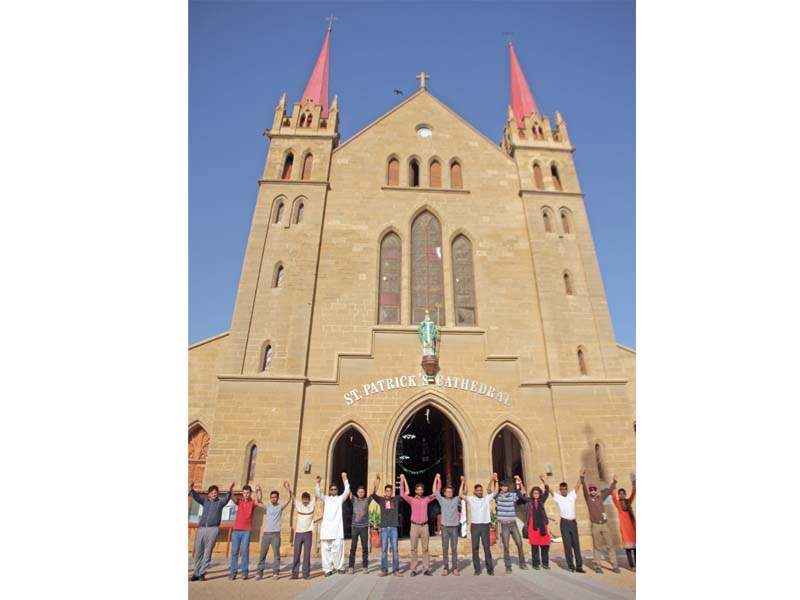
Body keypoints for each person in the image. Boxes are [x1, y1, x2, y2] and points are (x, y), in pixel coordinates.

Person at [189, 481, 234, 581]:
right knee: (198, 551)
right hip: (202, 528)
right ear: (209, 494)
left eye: (216, 492)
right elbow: (196, 497)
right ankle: (196, 572)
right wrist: (191, 488)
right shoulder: (205, 501)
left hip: (213, 529)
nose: (214, 494)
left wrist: (230, 489)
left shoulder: (219, 503)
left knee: (207, 552)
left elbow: (226, 499)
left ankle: (202, 573)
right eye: (212, 492)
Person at [580, 469, 620, 573]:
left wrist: (614, 481)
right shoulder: (588, 499)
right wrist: (582, 478)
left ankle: (614, 565)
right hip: (595, 525)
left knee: (610, 545)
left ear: (596, 490)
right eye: (591, 490)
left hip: (604, 524)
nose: (593, 491)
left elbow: (609, 491)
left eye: (594, 490)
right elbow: (584, 490)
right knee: (597, 546)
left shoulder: (600, 498)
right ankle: (598, 565)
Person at [398, 473, 435, 576]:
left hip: (424, 526)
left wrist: (437, 479)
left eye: (421, 489)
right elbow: (402, 494)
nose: (420, 491)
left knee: (425, 548)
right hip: (414, 526)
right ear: (415, 491)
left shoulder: (426, 499)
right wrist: (402, 480)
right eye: (418, 489)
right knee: (413, 548)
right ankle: (413, 569)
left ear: (423, 491)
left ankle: (426, 569)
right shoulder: (412, 500)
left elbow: (436, 493)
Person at [459, 473, 496, 576]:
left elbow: (496, 491)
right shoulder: (471, 499)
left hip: (484, 525)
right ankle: (477, 569)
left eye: (481, 490)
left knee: (486, 547)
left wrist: (494, 480)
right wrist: (463, 482)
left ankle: (490, 569)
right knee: (475, 547)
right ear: (474, 491)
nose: (479, 492)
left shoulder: (486, 498)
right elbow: (461, 494)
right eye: (478, 490)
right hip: (475, 525)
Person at [316, 472, 351, 576]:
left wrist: (345, 479)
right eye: (332, 489)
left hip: (337, 529)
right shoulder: (326, 499)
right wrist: (318, 483)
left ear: (337, 490)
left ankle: (339, 567)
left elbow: (347, 491)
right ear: (329, 490)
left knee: (338, 550)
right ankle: (327, 569)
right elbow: (318, 494)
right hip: (326, 529)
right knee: (326, 551)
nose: (333, 491)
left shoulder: (339, 499)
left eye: (335, 489)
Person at [549, 474, 585, 573]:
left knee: (576, 545)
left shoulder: (571, 496)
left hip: (573, 522)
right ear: (560, 490)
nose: (563, 490)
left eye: (565, 489)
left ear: (567, 489)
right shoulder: (559, 498)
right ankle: (571, 566)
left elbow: (578, 485)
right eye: (562, 489)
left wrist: (581, 476)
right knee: (567, 545)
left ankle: (579, 566)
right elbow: (551, 491)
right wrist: (544, 481)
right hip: (564, 523)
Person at [256, 481, 293, 579]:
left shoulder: (280, 507)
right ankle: (259, 573)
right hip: (266, 534)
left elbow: (289, 499)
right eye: (272, 497)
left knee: (276, 554)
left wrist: (288, 488)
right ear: (270, 498)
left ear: (277, 498)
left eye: (275, 497)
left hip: (275, 534)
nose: (273, 498)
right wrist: (258, 491)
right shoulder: (267, 507)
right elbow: (258, 502)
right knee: (262, 554)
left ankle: (275, 572)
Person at [370, 473, 403, 577]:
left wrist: (402, 479)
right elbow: (372, 493)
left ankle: (396, 570)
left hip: (393, 527)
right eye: (387, 490)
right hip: (384, 527)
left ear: (392, 491)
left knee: (395, 550)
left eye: (390, 490)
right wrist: (377, 481)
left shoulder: (396, 499)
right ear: (385, 491)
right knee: (384, 550)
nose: (389, 492)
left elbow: (406, 493)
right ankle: (384, 570)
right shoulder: (381, 500)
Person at [495, 475, 527, 573]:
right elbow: (489, 491)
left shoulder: (512, 495)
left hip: (513, 523)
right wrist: (495, 481)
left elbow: (523, 493)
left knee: (519, 543)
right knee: (506, 546)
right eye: (503, 486)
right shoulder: (498, 497)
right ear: (501, 487)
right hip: (504, 525)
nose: (505, 488)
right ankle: (508, 566)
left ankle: (522, 563)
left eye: (506, 486)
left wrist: (520, 482)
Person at [520, 475, 551, 570]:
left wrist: (544, 481)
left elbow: (547, 491)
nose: (536, 494)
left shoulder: (542, 500)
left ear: (539, 493)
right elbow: (521, 495)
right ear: (532, 494)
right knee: (534, 547)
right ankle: (535, 564)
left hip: (542, 526)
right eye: (534, 493)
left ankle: (545, 563)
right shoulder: (529, 501)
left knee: (545, 545)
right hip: (533, 527)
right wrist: (519, 484)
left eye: (537, 493)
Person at [433, 473, 461, 576]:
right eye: (447, 492)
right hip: (445, 527)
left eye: (451, 492)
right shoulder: (442, 500)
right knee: (445, 548)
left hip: (454, 527)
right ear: (444, 493)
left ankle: (455, 568)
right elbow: (435, 492)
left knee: (454, 548)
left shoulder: (456, 499)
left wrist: (463, 482)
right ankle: (445, 567)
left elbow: (463, 492)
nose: (449, 493)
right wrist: (436, 479)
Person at [229, 484, 260, 580]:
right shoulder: (240, 502)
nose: (246, 494)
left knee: (245, 551)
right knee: (234, 551)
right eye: (244, 493)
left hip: (246, 530)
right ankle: (233, 573)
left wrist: (258, 491)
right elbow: (233, 498)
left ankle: (244, 572)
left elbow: (258, 502)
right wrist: (230, 489)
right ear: (242, 494)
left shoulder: (252, 503)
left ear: (250, 494)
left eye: (248, 493)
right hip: (236, 530)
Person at [611, 475, 636, 569]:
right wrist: (614, 483)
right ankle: (632, 565)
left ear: (625, 494)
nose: (621, 495)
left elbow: (634, 493)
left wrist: (633, 482)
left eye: (622, 493)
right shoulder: (618, 504)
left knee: (635, 548)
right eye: (619, 494)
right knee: (628, 549)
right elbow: (613, 496)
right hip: (625, 530)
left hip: (632, 528)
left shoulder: (628, 502)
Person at [290, 491, 316, 580]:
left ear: (309, 500)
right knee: (296, 553)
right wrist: (288, 487)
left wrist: (318, 483)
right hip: (298, 533)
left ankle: (306, 573)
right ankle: (294, 573)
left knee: (307, 554)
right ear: (302, 500)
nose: (305, 501)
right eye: (304, 499)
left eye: (306, 500)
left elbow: (316, 495)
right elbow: (293, 497)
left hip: (308, 533)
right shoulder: (299, 505)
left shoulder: (311, 506)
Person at [348, 484, 371, 574]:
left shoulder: (367, 500)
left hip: (364, 527)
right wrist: (344, 478)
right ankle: (351, 566)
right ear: (357, 493)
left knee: (365, 547)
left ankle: (365, 566)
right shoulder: (354, 500)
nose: (361, 493)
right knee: (353, 547)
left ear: (364, 493)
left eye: (362, 492)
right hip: (355, 527)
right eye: (359, 492)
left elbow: (373, 492)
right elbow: (348, 491)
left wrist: (377, 480)